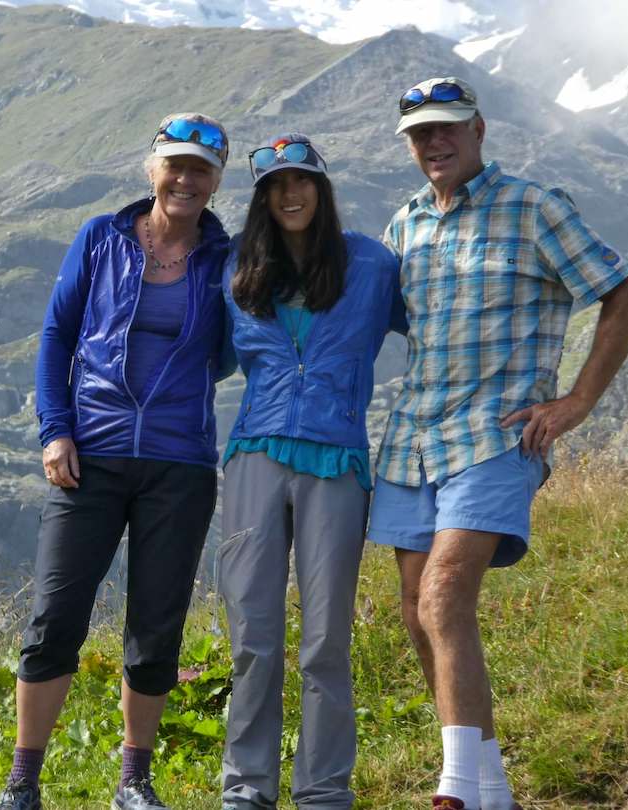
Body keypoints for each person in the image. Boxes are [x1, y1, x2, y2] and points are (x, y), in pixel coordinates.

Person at [367, 78, 628, 810]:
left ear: (479, 129)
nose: (435, 143)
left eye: (448, 129)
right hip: (413, 440)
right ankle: (490, 788)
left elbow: (626, 293)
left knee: (444, 594)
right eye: (420, 134)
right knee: (412, 607)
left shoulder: (533, 207)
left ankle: (457, 787)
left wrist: (578, 401)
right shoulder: (405, 226)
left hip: (496, 435)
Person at [0, 113, 232, 810]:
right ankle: (22, 782)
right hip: (87, 457)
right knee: (54, 618)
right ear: (152, 169)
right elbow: (57, 337)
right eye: (176, 165)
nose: (186, 179)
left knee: (156, 629)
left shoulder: (228, 258)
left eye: (201, 170)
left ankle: (134, 782)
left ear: (217, 181)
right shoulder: (102, 238)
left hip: (180, 464)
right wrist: (55, 430)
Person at [218, 133, 405, 810]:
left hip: (337, 461)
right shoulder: (238, 271)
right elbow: (202, 357)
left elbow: (435, 330)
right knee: (254, 638)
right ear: (262, 199)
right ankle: (246, 789)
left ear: (321, 189)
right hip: (255, 459)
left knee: (326, 640)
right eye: (275, 185)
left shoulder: (373, 265)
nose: (289, 194)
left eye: (301, 181)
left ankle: (324, 792)